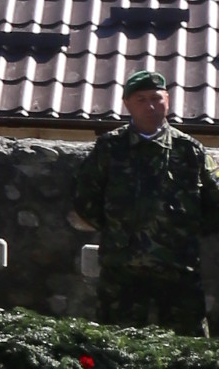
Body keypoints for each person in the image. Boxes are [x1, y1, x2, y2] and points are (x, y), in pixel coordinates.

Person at [70, 67, 219, 333]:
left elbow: (214, 204)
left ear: (168, 101)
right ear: (127, 105)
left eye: (156, 98)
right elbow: (85, 200)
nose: (150, 106)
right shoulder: (109, 149)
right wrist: (120, 231)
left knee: (189, 355)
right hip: (122, 275)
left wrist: (182, 233)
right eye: (141, 100)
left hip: (178, 273)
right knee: (116, 351)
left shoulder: (190, 151)